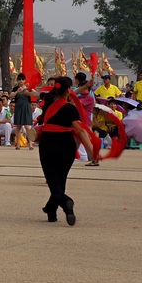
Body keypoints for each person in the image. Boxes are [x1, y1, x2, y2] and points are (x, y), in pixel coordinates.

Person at [34, 77, 95, 225]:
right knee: (61, 180)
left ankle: (65, 202)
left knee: (54, 182)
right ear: (68, 90)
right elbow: (80, 130)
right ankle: (51, 209)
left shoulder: (48, 105)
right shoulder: (70, 108)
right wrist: (92, 151)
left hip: (48, 143)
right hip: (66, 145)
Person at [9, 74, 38, 151]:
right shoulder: (15, 88)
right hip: (18, 107)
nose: (21, 81)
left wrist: (29, 88)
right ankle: (17, 144)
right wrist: (17, 92)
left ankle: (30, 144)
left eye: (22, 79)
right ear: (17, 80)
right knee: (18, 126)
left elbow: (35, 94)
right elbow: (11, 96)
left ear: (25, 80)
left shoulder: (28, 87)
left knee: (27, 126)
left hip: (26, 106)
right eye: (19, 79)